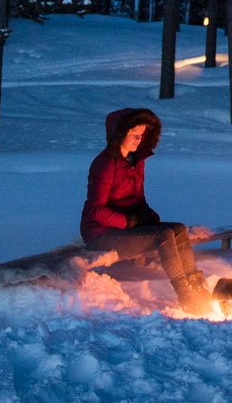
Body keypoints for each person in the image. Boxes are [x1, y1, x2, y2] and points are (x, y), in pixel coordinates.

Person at [81, 107, 212, 312]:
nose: (138, 140)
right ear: (119, 135)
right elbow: (96, 211)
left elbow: (138, 197)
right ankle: (185, 294)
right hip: (101, 233)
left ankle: (194, 285)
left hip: (126, 228)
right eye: (134, 135)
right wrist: (130, 222)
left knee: (178, 229)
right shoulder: (105, 164)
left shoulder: (135, 162)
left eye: (141, 136)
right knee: (164, 235)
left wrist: (147, 214)